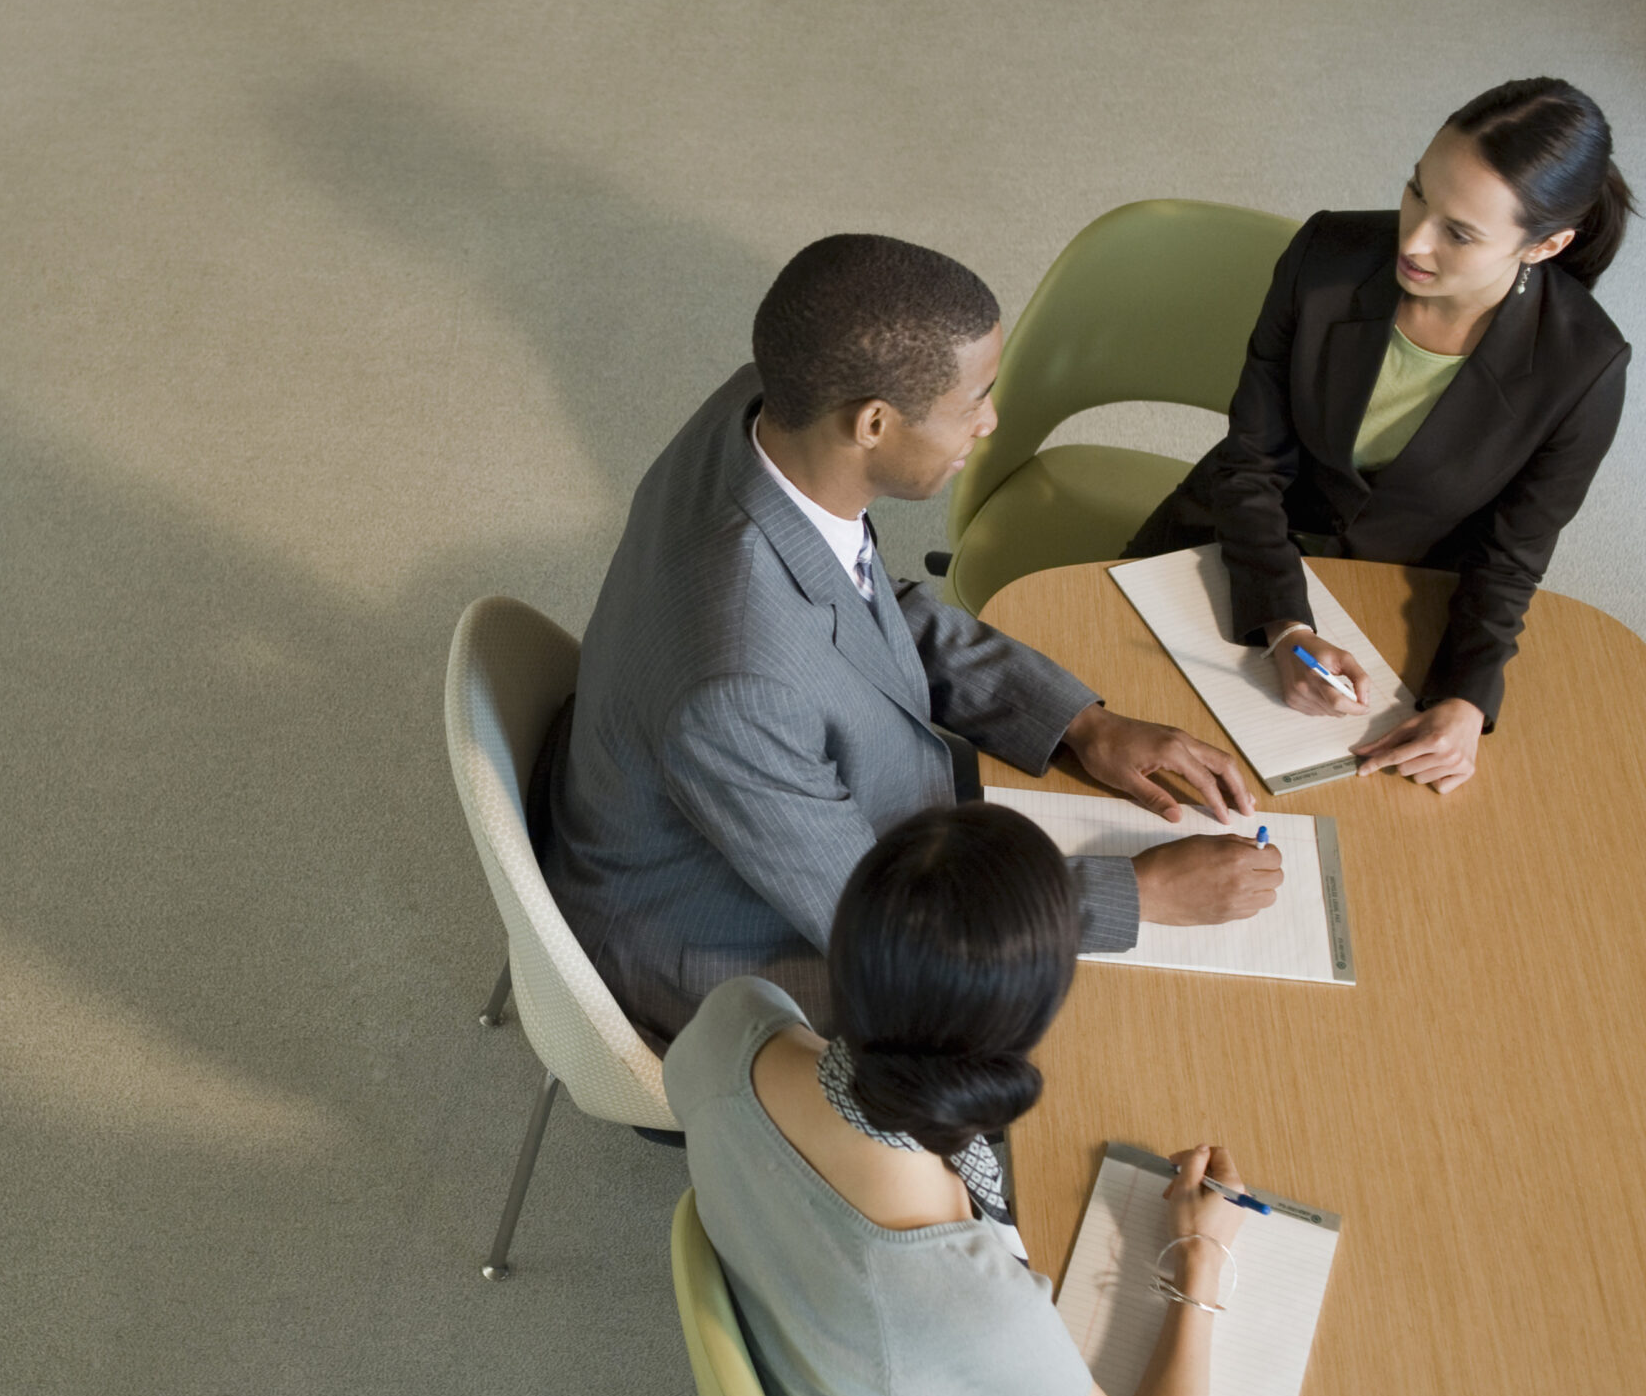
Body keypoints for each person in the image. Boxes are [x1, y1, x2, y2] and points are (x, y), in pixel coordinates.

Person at [542, 234, 1278, 1042]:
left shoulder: (767, 411)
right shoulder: (737, 691)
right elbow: (888, 928)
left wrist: (1081, 724)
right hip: (728, 959)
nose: (991, 424)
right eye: (974, 402)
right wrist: (1139, 897)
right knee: (1122, 1040)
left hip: (769, 815)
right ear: (873, 423)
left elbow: (858, 598)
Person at [665, 804, 1248, 1396]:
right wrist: (1200, 1261)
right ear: (1031, 1023)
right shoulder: (962, 1302)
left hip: (841, 1391)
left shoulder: (737, 1021)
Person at [1125, 77, 1636, 793]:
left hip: (1398, 590)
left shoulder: (1584, 368)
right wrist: (1286, 625)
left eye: (1459, 232)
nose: (1415, 238)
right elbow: (1251, 461)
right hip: (1235, 535)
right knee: (1125, 723)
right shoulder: (1326, 253)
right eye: (1416, 191)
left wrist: (1463, 701)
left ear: (1546, 244)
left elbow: (1510, 559)